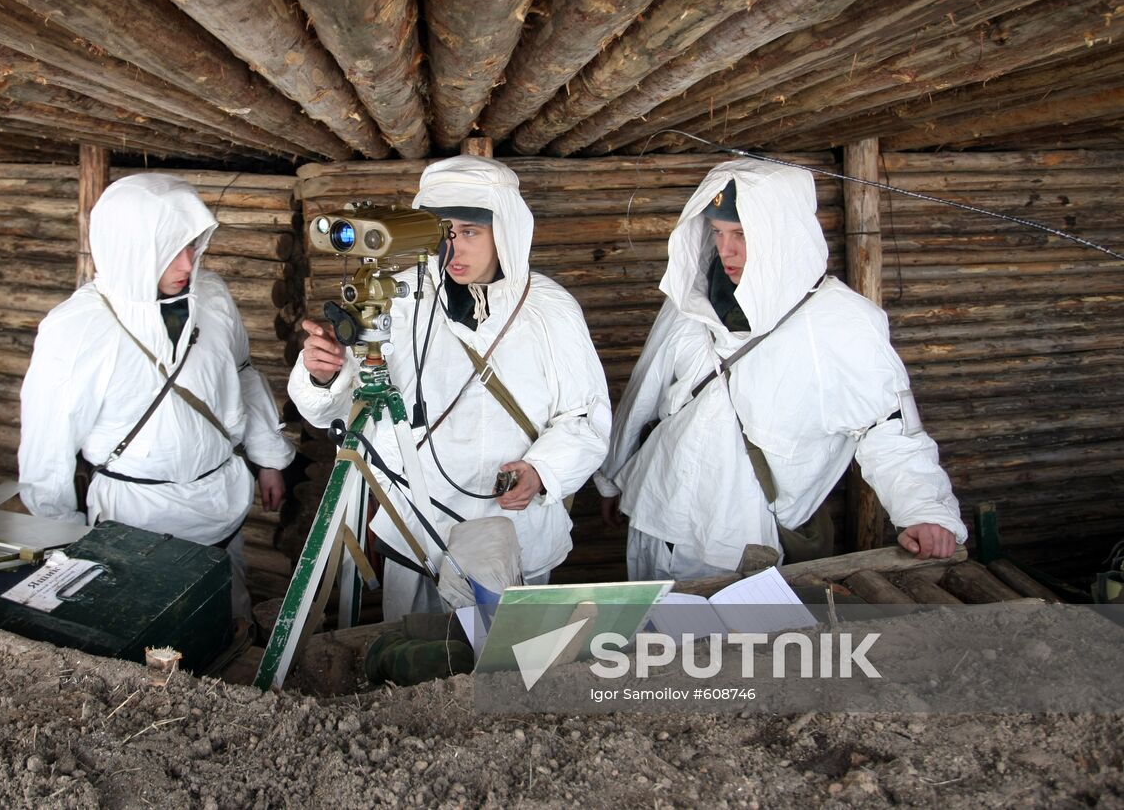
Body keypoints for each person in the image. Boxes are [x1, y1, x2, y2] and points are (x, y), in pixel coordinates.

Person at [596, 159, 966, 581]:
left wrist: (924, 511)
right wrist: (613, 477)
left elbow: (888, 428)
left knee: (740, 644)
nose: (726, 250)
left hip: (740, 538)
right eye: (717, 232)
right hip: (654, 505)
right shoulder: (692, 298)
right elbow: (646, 389)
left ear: (781, 233)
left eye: (741, 234)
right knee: (654, 640)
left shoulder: (840, 321)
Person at [288, 155, 611, 620]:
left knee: (512, 663)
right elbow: (335, 413)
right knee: (416, 662)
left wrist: (543, 470)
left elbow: (585, 416)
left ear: (506, 231)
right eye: (443, 231)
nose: (454, 248)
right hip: (418, 524)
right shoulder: (394, 301)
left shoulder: (549, 309)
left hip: (516, 526)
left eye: (471, 232)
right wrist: (323, 375)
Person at [18, 173, 294, 619]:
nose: (188, 264)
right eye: (171, 251)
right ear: (131, 248)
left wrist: (268, 461)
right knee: (152, 643)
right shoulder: (75, 330)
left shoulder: (213, 296)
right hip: (135, 525)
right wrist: (65, 544)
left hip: (219, 506)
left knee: (227, 624)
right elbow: (47, 450)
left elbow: (241, 374)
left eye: (193, 245)